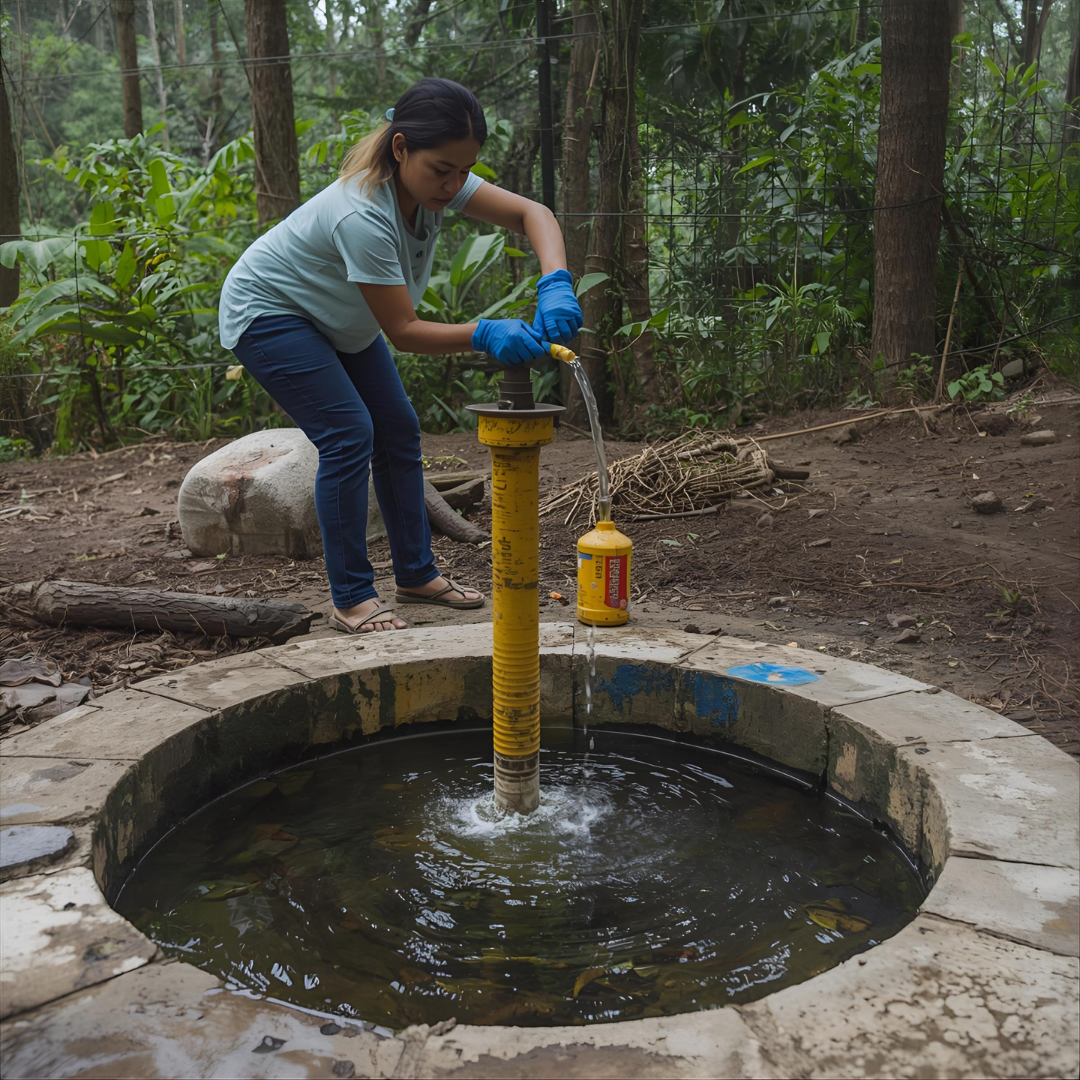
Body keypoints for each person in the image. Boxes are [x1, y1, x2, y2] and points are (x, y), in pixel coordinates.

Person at [219, 78, 583, 634]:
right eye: (443, 170)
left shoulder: (436, 181)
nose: (455, 184)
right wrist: (485, 332)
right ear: (400, 147)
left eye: (464, 170)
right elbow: (406, 331)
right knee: (348, 433)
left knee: (398, 429)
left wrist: (556, 280)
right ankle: (351, 597)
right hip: (270, 312)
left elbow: (532, 213)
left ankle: (415, 573)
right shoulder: (362, 214)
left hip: (339, 315)